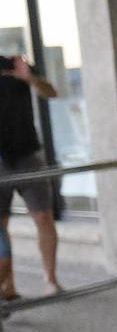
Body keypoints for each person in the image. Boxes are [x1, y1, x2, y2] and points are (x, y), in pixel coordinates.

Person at [0, 54, 61, 297]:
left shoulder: (14, 65)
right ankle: (8, 286)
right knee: (1, 227)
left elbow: (51, 92)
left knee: (44, 218)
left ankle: (51, 280)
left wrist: (30, 78)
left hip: (27, 154)